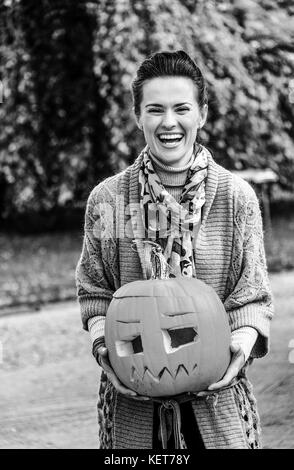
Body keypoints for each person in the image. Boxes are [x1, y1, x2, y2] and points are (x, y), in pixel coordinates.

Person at [75, 50, 274, 449]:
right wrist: (104, 349)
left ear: (201, 113)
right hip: (134, 405)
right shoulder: (109, 200)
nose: (169, 122)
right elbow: (94, 290)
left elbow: (252, 293)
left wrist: (244, 340)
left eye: (181, 108)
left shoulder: (236, 198)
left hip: (218, 404)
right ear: (138, 117)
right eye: (155, 109)